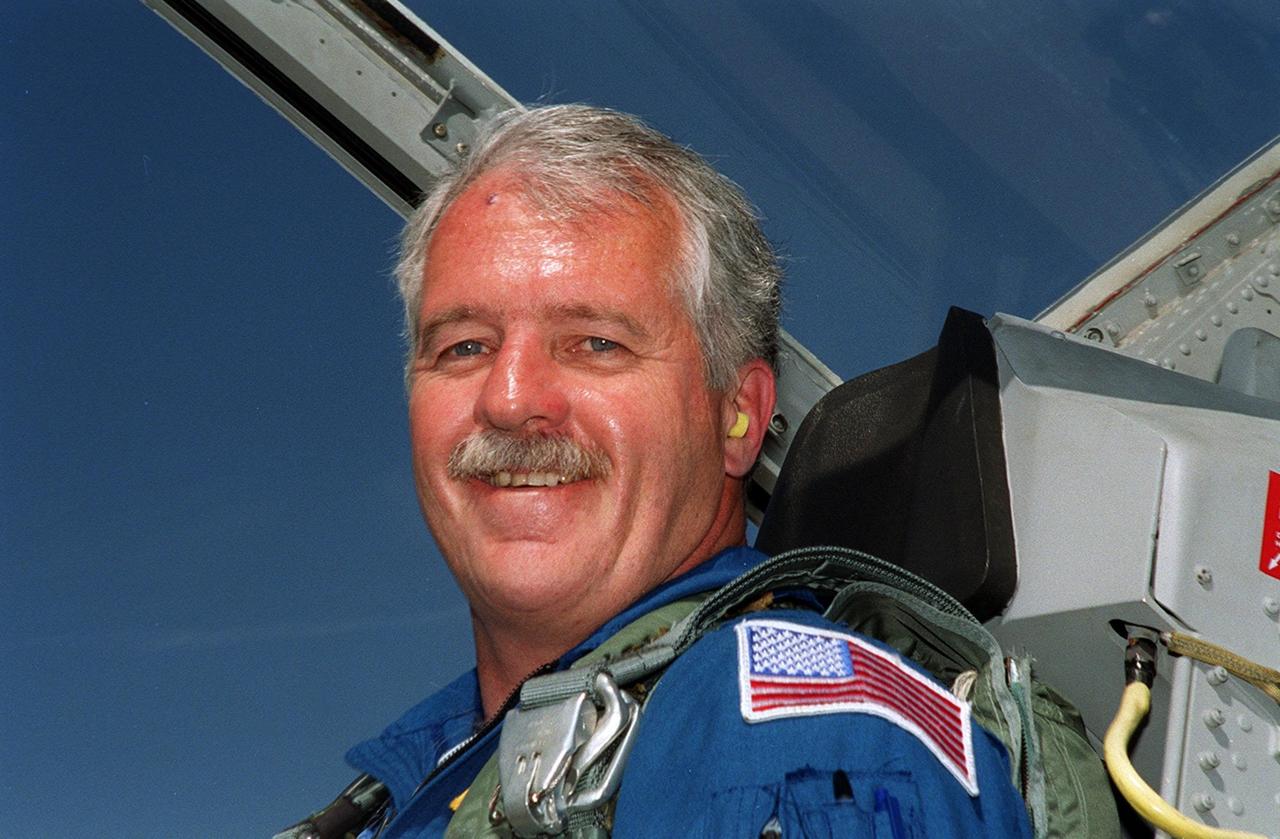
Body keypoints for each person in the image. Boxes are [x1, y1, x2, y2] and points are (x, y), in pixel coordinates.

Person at [301, 105, 1034, 838]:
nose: (510, 397)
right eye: (463, 347)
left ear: (738, 417)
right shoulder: (414, 781)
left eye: (595, 342)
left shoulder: (793, 747)